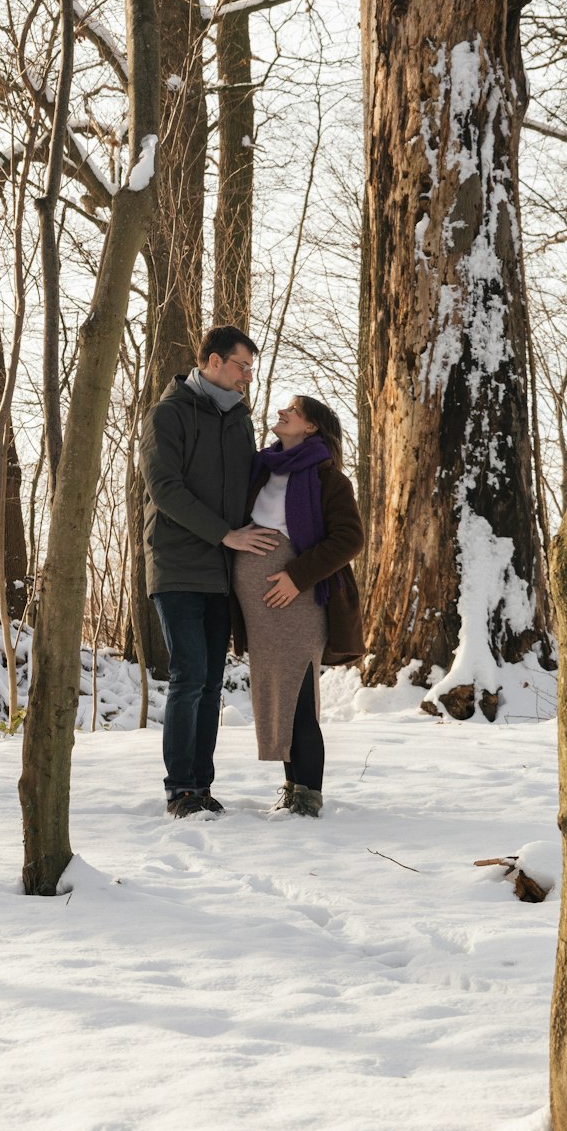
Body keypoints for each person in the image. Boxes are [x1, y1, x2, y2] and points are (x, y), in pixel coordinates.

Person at [141, 326, 278, 817]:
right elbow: (165, 489)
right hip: (177, 566)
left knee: (213, 680)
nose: (246, 379)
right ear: (214, 362)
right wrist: (227, 534)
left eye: (250, 370)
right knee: (189, 675)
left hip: (225, 572)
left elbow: (252, 485)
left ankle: (201, 786)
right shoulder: (168, 414)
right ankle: (180, 790)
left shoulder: (239, 420)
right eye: (242, 367)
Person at [230, 395, 364, 818]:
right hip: (260, 608)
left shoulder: (329, 481)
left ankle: (308, 796)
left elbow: (349, 540)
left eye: (295, 411)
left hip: (298, 601)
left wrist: (295, 577)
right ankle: (292, 786)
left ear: (311, 428)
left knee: (299, 696)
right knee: (278, 695)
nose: (283, 413)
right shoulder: (260, 468)